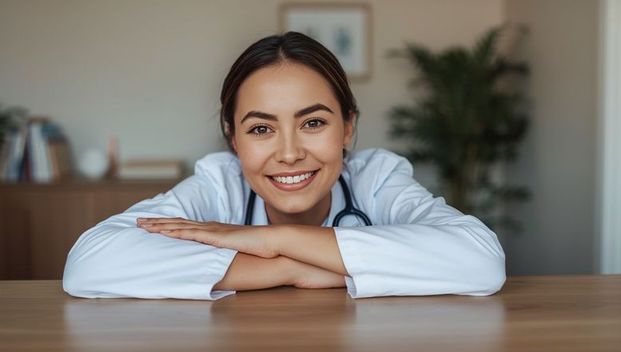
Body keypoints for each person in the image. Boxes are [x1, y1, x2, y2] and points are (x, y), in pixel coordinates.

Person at [62, 32, 506, 300]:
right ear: (232, 138)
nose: (289, 153)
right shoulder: (219, 183)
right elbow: (89, 263)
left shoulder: (376, 177)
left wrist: (269, 239)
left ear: (348, 128)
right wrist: (291, 267)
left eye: (313, 122)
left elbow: (480, 259)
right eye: (260, 129)